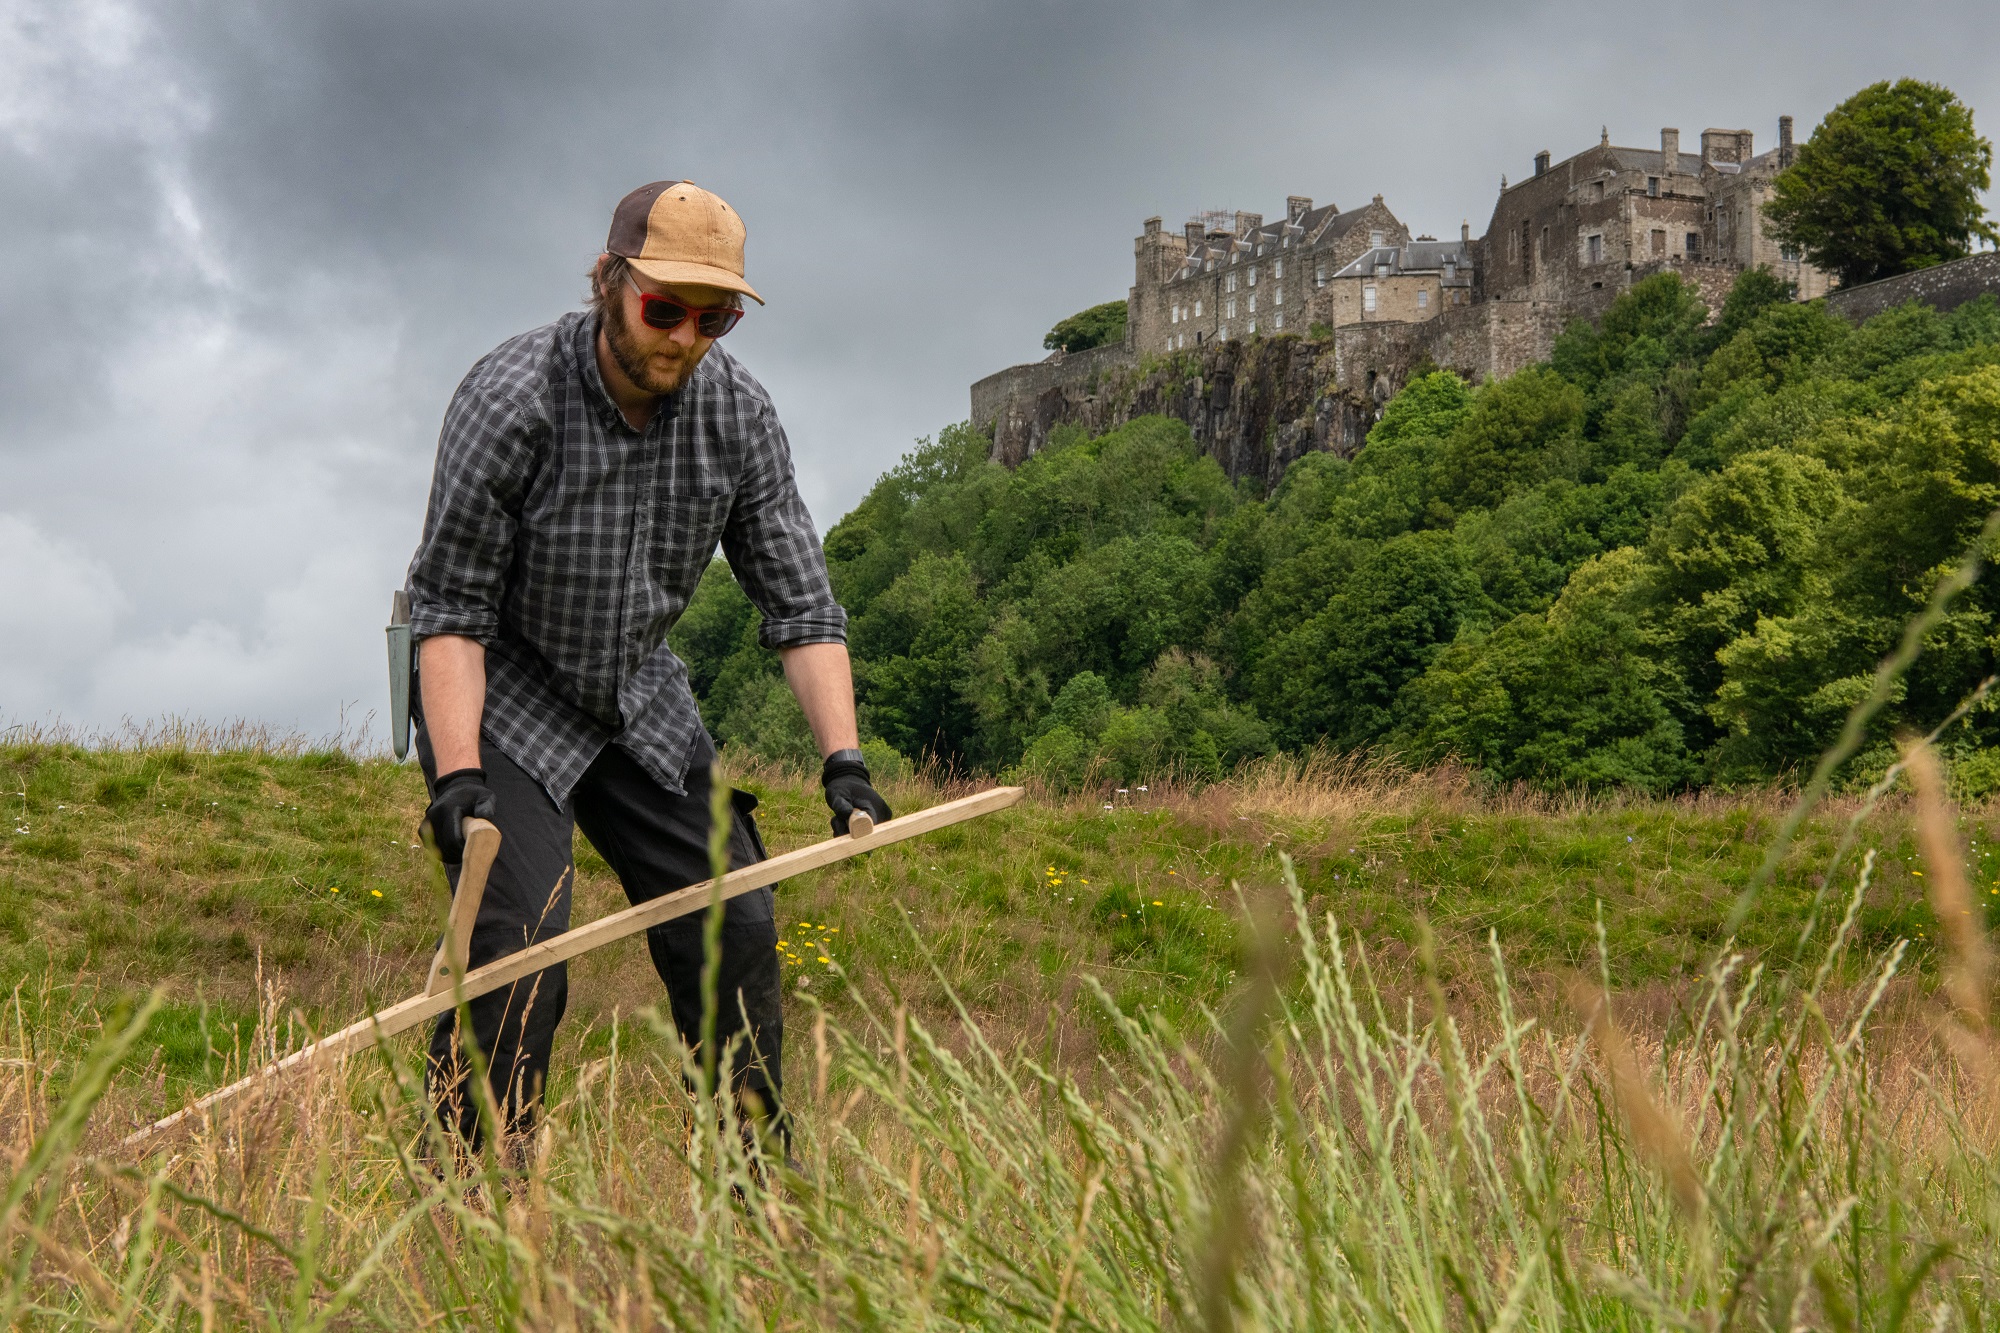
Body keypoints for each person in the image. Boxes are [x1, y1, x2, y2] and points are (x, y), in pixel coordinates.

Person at [404, 179, 890, 1157]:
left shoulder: (738, 416)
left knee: (739, 927)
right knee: (520, 960)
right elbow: (447, 610)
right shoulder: (510, 399)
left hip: (635, 693)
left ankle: (750, 1211)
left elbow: (798, 602)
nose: (682, 336)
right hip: (503, 691)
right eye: (662, 307)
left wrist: (844, 762)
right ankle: (468, 1211)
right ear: (607, 281)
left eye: (711, 319)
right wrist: (459, 779)